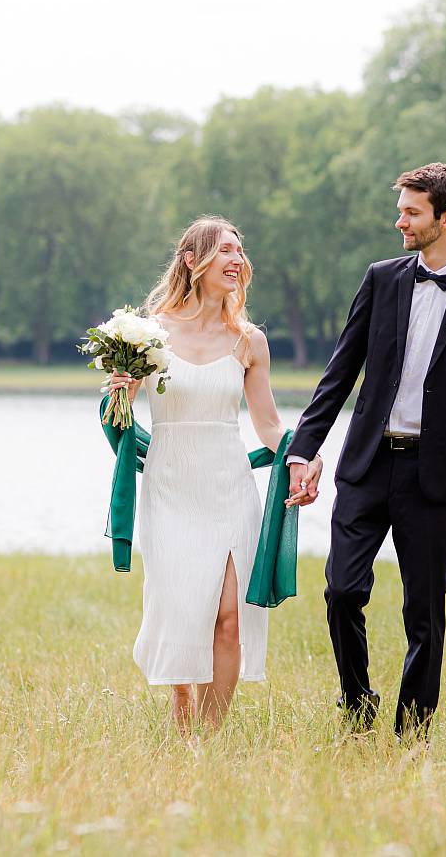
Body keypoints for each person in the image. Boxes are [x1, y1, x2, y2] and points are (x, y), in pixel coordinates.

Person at [285, 162, 446, 739]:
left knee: (425, 612)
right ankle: (357, 702)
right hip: (367, 464)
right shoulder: (381, 279)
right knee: (342, 591)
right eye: (401, 211)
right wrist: (303, 450)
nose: (400, 222)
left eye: (412, 212)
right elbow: (339, 373)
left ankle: (413, 732)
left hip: (433, 477)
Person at [107, 215, 322, 732]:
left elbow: (268, 425)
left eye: (239, 251)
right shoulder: (149, 335)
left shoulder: (249, 341)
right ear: (192, 260)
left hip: (228, 487)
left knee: (228, 618)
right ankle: (183, 711)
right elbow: (121, 417)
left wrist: (302, 455)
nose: (236, 259)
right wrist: (120, 391)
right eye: (225, 250)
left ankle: (207, 740)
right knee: (185, 612)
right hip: (170, 487)